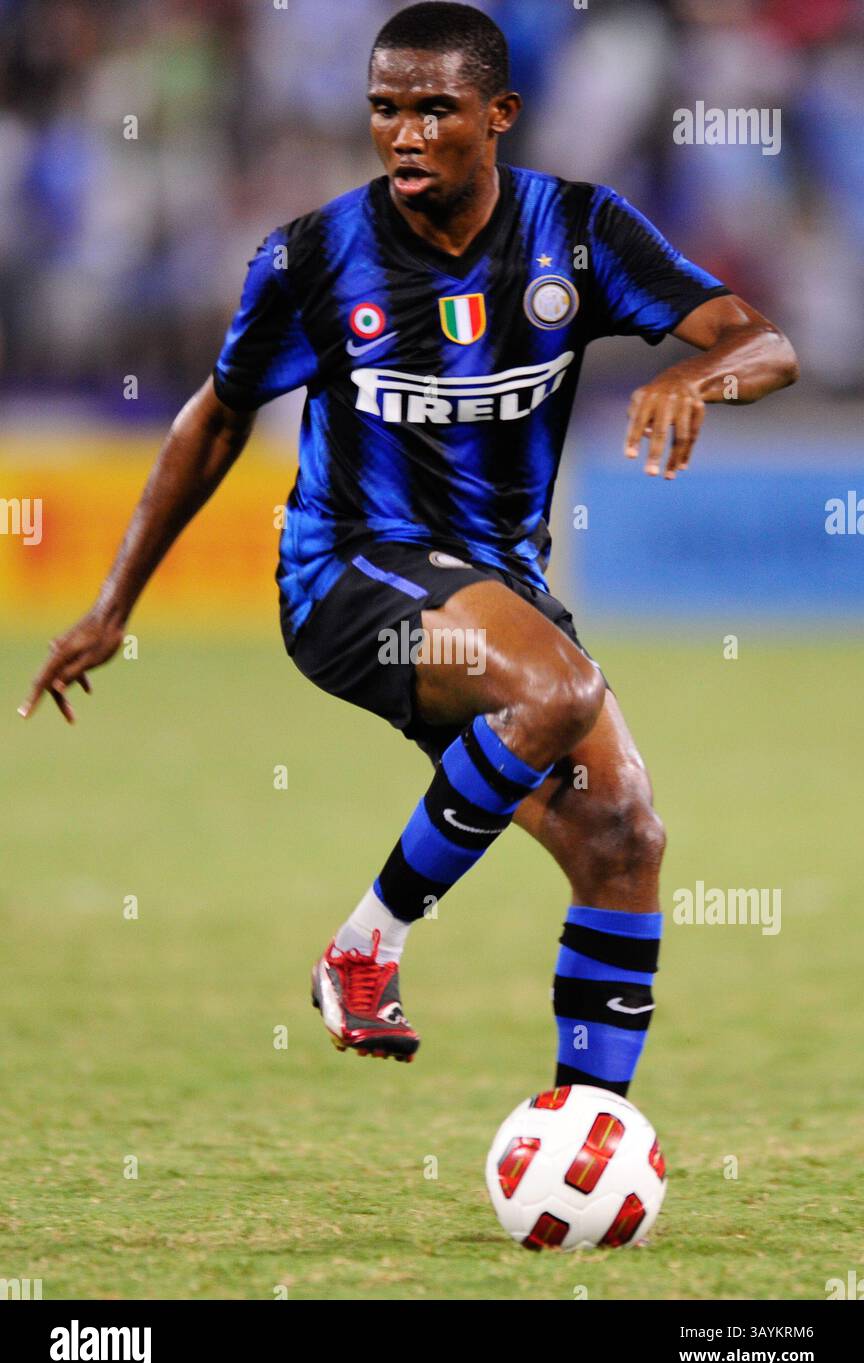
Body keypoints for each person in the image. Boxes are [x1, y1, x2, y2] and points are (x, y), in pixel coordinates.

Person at [19, 3, 798, 1090]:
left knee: (623, 834)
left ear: (501, 115)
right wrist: (113, 604)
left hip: (496, 586)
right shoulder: (313, 258)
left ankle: (589, 1127)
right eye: (388, 109)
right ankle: (365, 944)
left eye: (438, 109)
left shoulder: (579, 233)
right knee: (562, 690)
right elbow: (215, 415)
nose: (408, 134)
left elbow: (765, 342)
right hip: (345, 572)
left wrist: (688, 372)